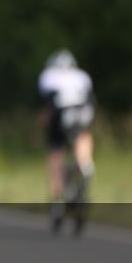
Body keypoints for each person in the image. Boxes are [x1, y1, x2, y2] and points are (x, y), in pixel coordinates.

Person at [38, 49, 96, 229]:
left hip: (59, 110)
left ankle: (58, 201)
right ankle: (85, 164)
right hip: (83, 108)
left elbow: (47, 109)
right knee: (83, 135)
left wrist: (44, 128)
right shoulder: (82, 76)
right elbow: (90, 100)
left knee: (55, 152)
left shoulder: (48, 76)